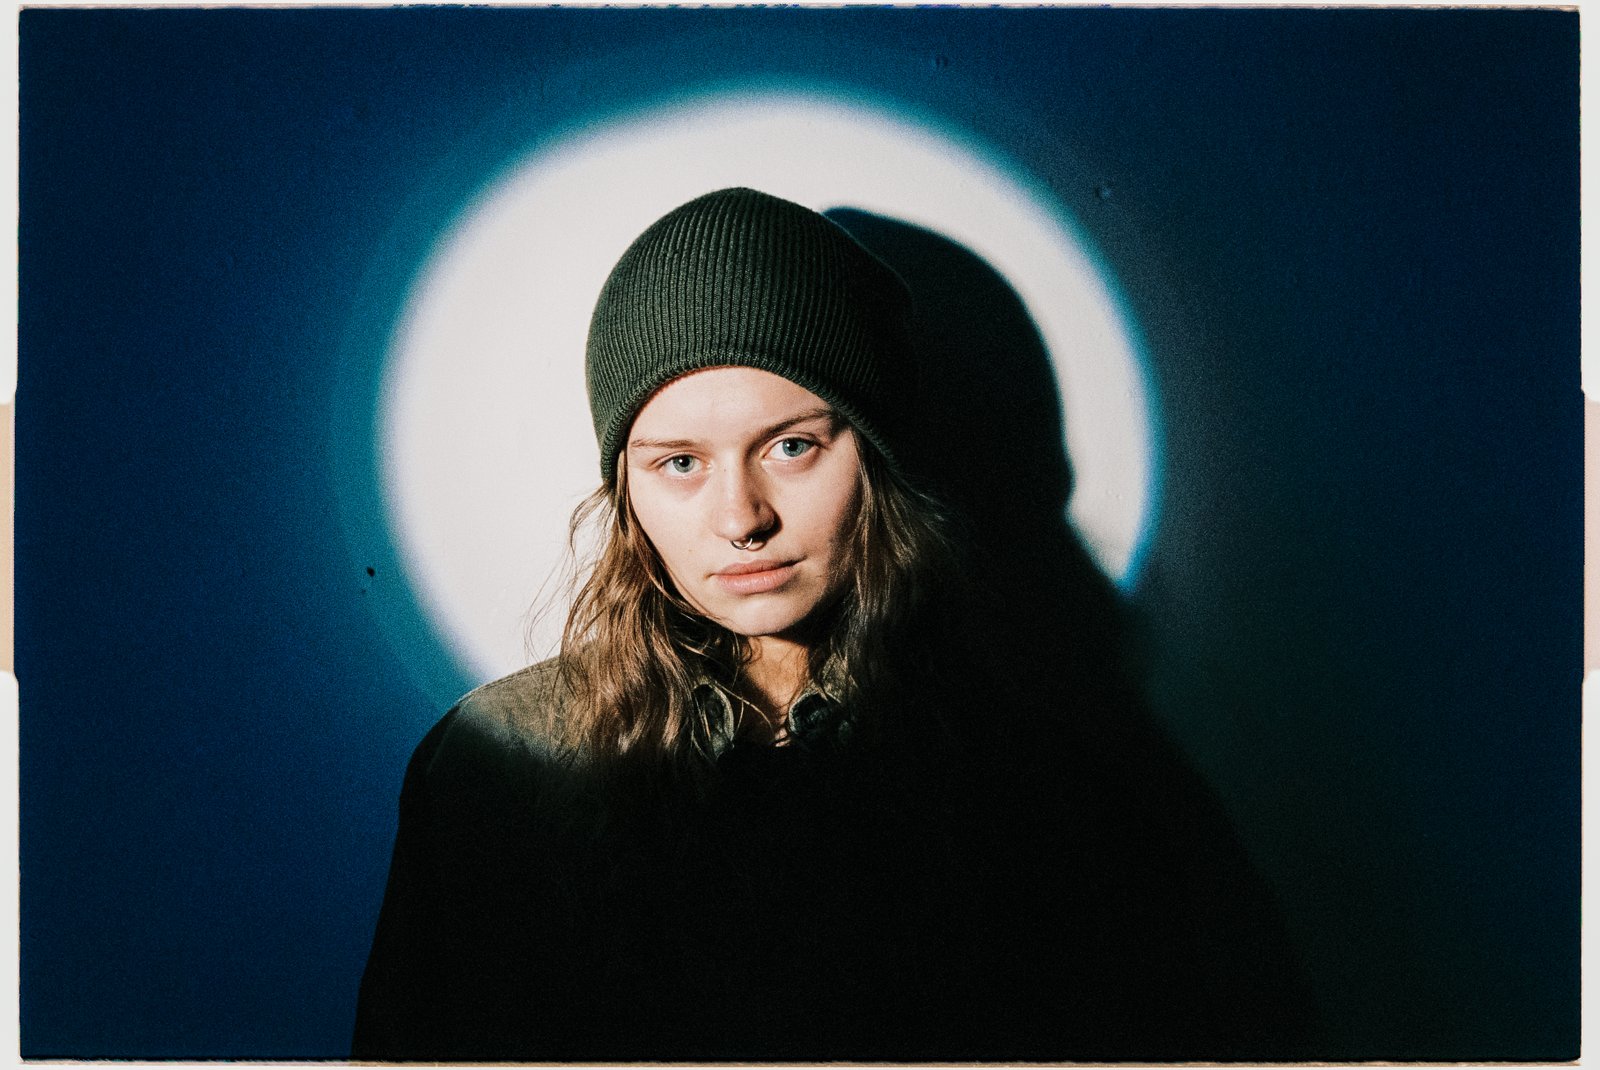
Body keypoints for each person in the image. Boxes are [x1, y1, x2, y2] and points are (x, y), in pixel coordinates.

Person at [352, 187, 1313, 1061]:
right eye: (679, 462)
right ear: (626, 486)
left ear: (879, 452)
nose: (741, 516)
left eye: (793, 445)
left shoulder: (1043, 771)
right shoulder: (497, 770)